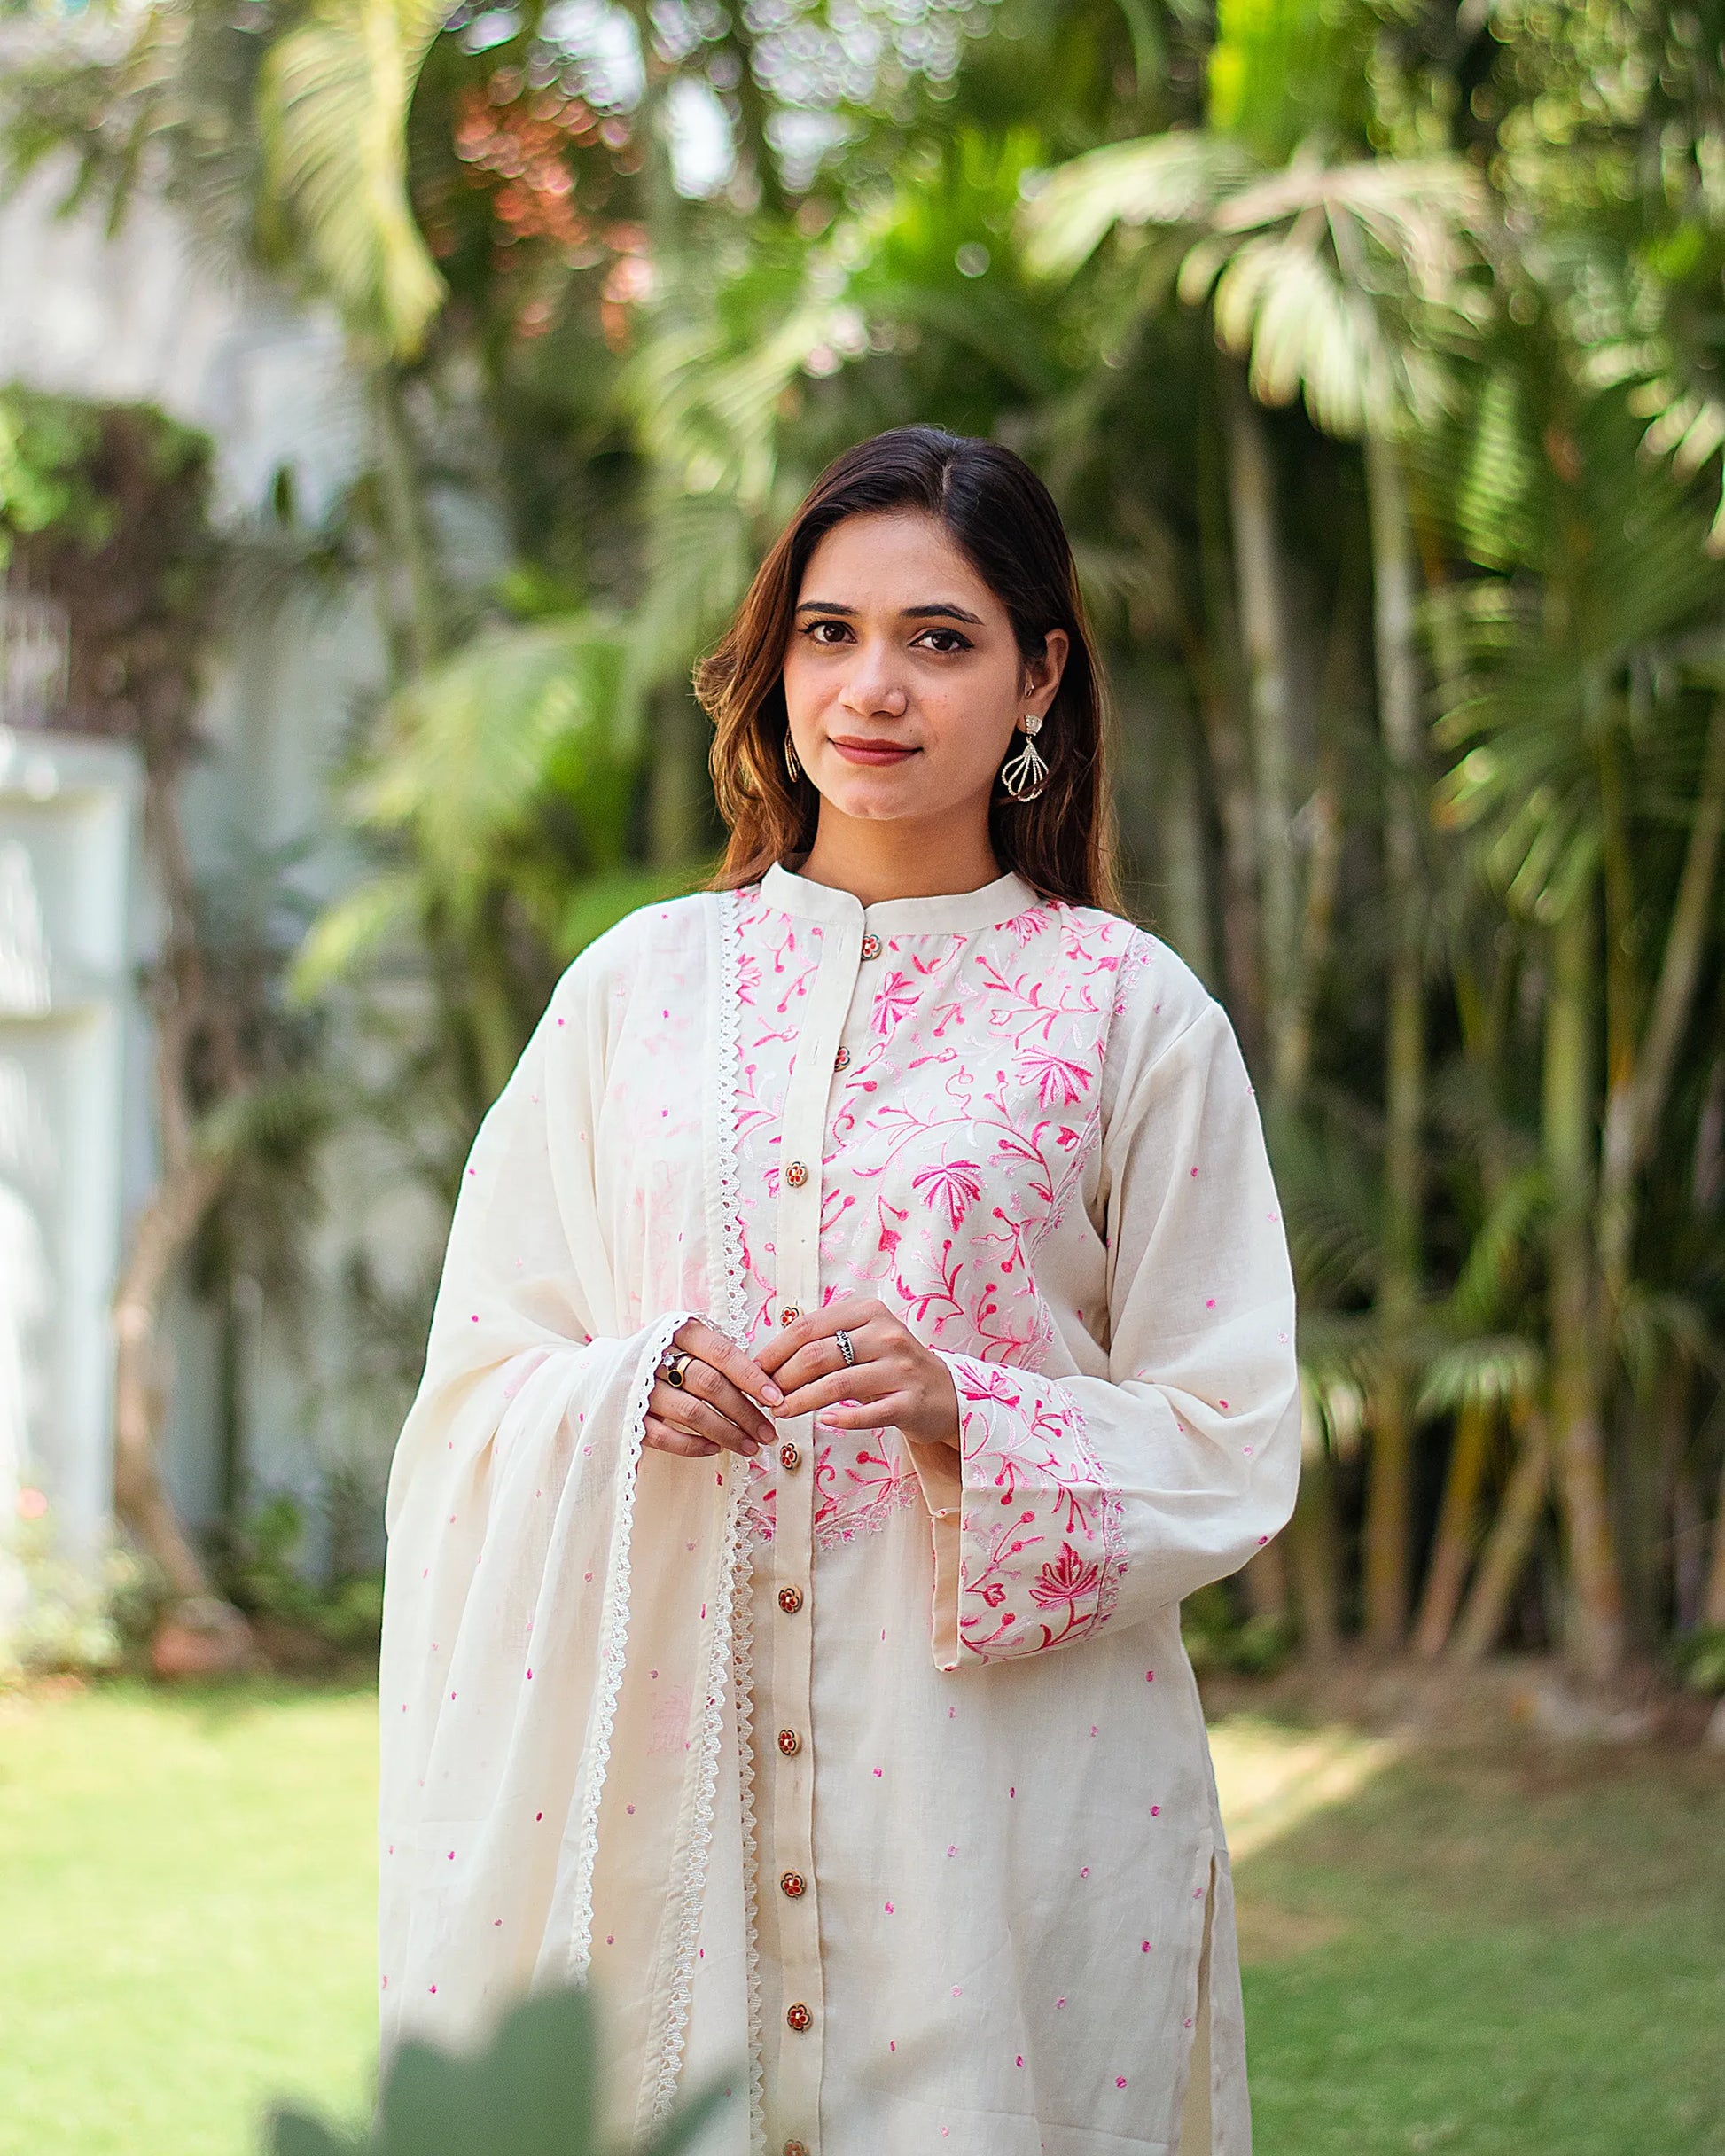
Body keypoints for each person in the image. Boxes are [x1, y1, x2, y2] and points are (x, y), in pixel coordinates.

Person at [378, 426, 1300, 2156]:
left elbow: (1231, 1432)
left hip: (999, 1812)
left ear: (1037, 675)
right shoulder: (633, 992)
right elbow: (480, 1384)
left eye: (938, 639)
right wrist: (617, 1391)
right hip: (676, 1778)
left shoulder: (1126, 1010)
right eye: (829, 631)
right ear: (776, 661)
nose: (873, 685)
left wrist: (973, 1408)